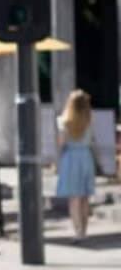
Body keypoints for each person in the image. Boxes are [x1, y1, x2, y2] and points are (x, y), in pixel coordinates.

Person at [55, 89, 95, 242]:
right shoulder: (89, 120)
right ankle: (84, 231)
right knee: (85, 198)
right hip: (85, 156)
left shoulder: (64, 121)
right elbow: (92, 141)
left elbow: (61, 143)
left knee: (74, 199)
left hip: (71, 158)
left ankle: (78, 232)